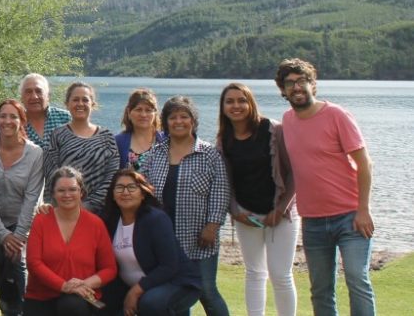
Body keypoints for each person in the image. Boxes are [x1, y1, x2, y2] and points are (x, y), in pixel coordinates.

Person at [276, 58, 375, 316]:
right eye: (289, 83)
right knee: (320, 289)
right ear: (283, 91)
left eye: (301, 81)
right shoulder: (287, 121)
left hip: (350, 217)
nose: (296, 87)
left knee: (357, 280)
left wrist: (363, 209)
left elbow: (364, 164)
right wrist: (282, 205)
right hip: (313, 222)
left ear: (312, 84)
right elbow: (299, 169)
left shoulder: (336, 115)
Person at [142, 96, 230, 316]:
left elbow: (220, 192)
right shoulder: (156, 154)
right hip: (165, 240)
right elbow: (143, 190)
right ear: (165, 121)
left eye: (184, 116)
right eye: (173, 117)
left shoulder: (209, 154)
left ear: (193, 120)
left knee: (207, 292)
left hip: (199, 238)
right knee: (177, 293)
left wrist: (213, 226)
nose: (178, 121)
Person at [217, 82, 297, 316]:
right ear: (223, 107)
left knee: (281, 275)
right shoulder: (225, 138)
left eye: (241, 100)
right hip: (246, 214)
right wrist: (236, 212)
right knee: (254, 273)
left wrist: (281, 209)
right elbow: (226, 180)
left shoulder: (273, 129)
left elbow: (294, 173)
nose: (236, 106)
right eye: (230, 101)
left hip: (281, 215)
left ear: (251, 102)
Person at [0, 99, 45, 316]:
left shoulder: (35, 154)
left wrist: (18, 235)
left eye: (13, 116)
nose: (7, 121)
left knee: (19, 266)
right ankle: (9, 311)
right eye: (3, 116)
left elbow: (33, 197)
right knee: (2, 273)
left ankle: (25, 310)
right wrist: (2, 235)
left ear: (22, 121)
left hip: (24, 225)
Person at [100, 168, 201, 316]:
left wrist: (136, 291)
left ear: (142, 194)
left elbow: (169, 266)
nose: (125, 192)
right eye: (120, 187)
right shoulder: (110, 221)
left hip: (175, 282)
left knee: (150, 302)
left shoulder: (156, 219)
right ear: (113, 195)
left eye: (132, 187)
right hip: (131, 286)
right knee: (100, 301)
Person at [25, 166, 116, 316]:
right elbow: (34, 263)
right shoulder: (41, 221)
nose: (67, 195)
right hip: (42, 296)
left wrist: (83, 284)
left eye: (73, 189)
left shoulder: (95, 224)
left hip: (81, 297)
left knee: (71, 305)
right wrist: (64, 286)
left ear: (81, 192)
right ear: (53, 194)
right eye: (61, 190)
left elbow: (109, 268)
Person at [43, 82, 119, 214]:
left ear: (93, 104)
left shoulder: (107, 137)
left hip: (101, 212)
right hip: (64, 210)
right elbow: (51, 175)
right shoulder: (58, 135)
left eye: (85, 100)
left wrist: (88, 206)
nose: (80, 104)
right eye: (75, 100)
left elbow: (112, 175)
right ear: (67, 104)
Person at [114, 88, 165, 172]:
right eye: (138, 109)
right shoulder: (117, 142)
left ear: (155, 113)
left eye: (148, 110)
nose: (143, 114)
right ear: (129, 112)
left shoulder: (165, 140)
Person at [19, 73, 70, 150]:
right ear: (21, 98)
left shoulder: (65, 118)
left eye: (39, 91)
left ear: (48, 96)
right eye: (28, 92)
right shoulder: (16, 123)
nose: (34, 96)